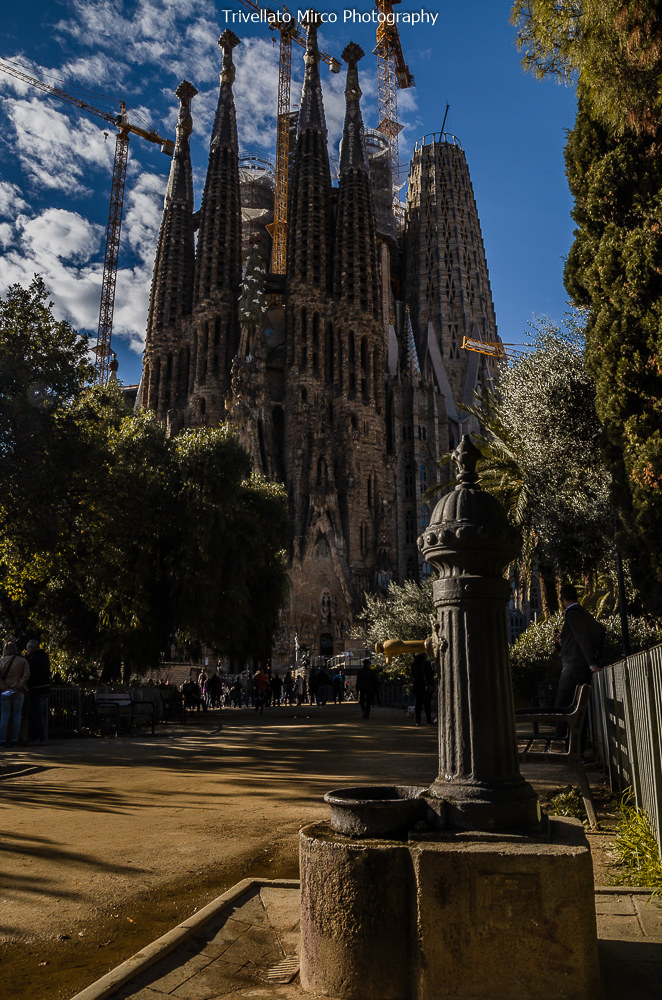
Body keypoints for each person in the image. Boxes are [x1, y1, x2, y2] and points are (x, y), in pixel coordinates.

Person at [553, 584, 606, 738]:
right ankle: (578, 751)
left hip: (572, 669)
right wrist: (563, 643)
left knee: (561, 708)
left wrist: (592, 663)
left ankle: (560, 744)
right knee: (578, 711)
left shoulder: (572, 614)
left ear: (561, 598)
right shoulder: (583, 613)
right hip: (581, 668)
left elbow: (581, 638)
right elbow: (597, 632)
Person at [0, 641, 30, 747]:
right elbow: (26, 675)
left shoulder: (2, 661)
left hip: (6, 690)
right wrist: (19, 685)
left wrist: (4, 687)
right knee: (17, 716)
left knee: (5, 715)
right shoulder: (22, 661)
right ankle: (15, 740)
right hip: (18, 690)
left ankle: (3, 740)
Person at [26, 639, 50, 745]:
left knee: (37, 715)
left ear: (30, 648)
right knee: (42, 714)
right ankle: (43, 736)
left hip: (36, 689)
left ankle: (40, 738)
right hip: (45, 688)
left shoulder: (33, 659)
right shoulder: (44, 657)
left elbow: (30, 675)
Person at [411, 652, 435, 725]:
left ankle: (418, 721)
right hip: (425, 686)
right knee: (427, 704)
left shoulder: (414, 664)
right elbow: (430, 674)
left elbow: (412, 675)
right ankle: (428, 720)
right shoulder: (426, 663)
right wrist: (429, 684)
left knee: (418, 704)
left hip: (416, 686)